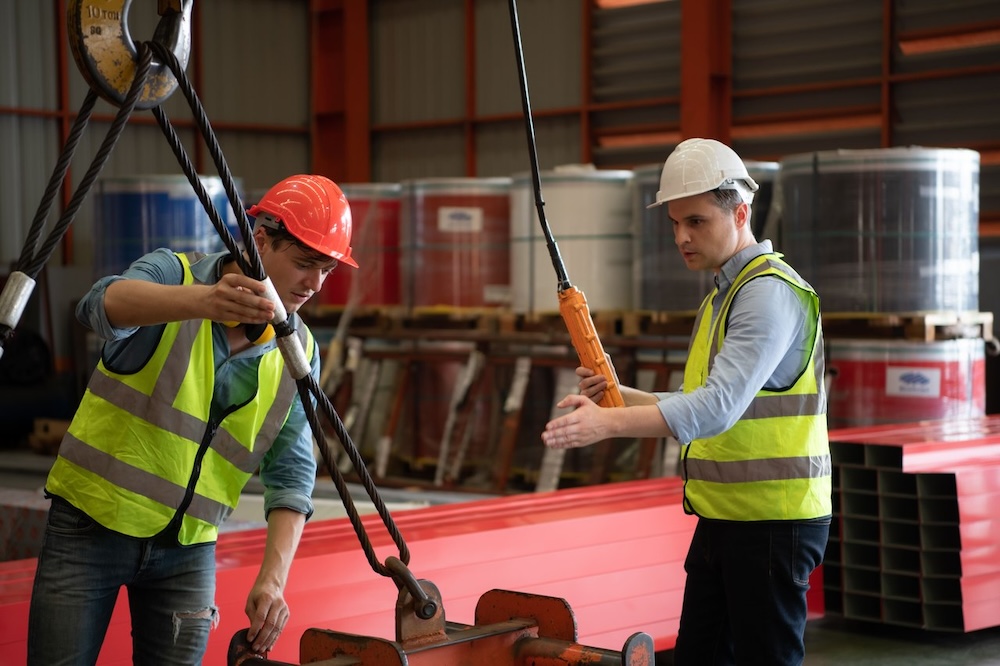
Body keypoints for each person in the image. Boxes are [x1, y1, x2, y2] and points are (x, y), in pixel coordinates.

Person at [27, 174, 357, 665]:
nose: (314, 285)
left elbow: (291, 471)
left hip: (188, 549)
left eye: (327, 270)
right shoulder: (172, 274)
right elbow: (99, 306)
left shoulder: (299, 350)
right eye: (305, 264)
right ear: (260, 241)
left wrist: (273, 577)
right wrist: (203, 303)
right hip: (90, 526)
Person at [541, 138, 831, 665]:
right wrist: (619, 398)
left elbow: (716, 409)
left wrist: (610, 427)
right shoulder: (725, 294)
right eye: (674, 223)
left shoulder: (766, 294)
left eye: (695, 221)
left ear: (740, 212)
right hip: (725, 519)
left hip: (771, 526)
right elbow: (703, 400)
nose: (681, 236)